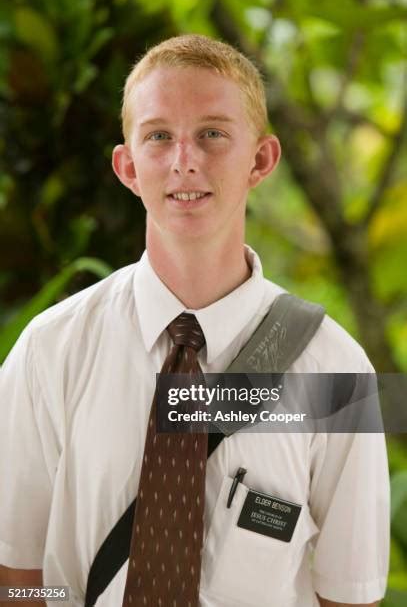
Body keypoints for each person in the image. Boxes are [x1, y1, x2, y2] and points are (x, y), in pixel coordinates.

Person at [0, 34, 389, 607]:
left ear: (261, 159)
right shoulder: (49, 353)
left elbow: (347, 596)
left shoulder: (336, 371)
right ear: (127, 166)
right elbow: (20, 580)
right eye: (159, 135)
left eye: (212, 133)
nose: (184, 159)